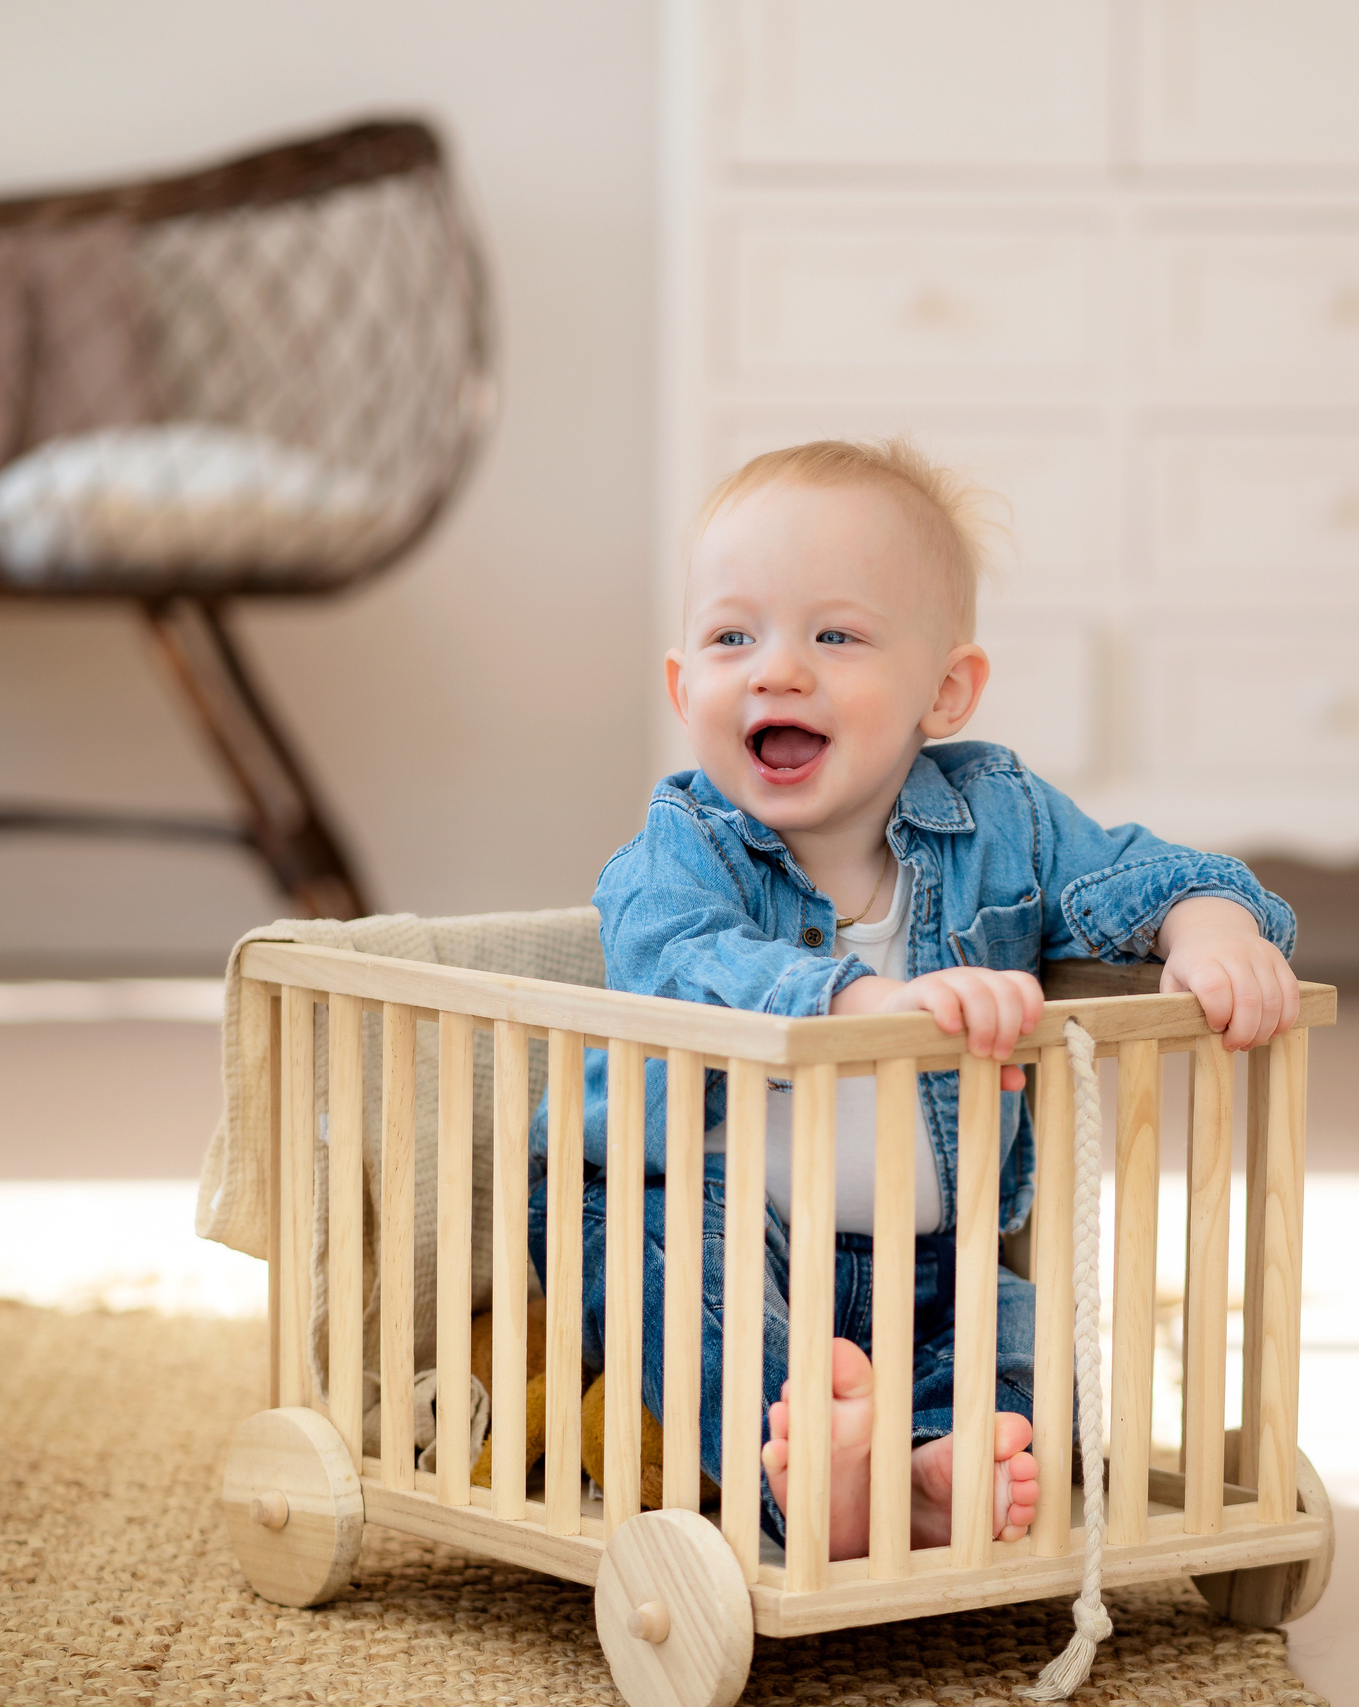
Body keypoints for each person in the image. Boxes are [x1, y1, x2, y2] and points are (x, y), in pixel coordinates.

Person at [539, 438, 1299, 1559]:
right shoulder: (679, 845)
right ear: (680, 685)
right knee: (675, 1274)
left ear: (944, 690)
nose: (777, 671)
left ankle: (933, 1473)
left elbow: (1146, 875)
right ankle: (808, 1491)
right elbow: (681, 959)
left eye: (834, 636)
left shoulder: (1000, 820)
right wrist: (863, 1002)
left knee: (1033, 1336)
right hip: (710, 1213)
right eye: (730, 637)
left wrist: (1214, 927)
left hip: (926, 1259)